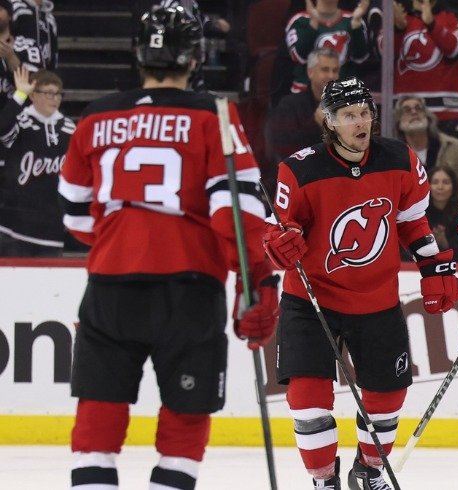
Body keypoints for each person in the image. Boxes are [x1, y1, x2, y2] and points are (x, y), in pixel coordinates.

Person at [58, 6, 279, 489]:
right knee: (185, 416)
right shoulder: (213, 115)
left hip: (110, 285)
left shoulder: (95, 118)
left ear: (139, 53)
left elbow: (75, 218)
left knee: (97, 418)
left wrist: (128, 236)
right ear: (195, 57)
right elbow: (236, 219)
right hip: (190, 286)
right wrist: (256, 281)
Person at [261, 76, 458, 490]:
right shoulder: (299, 169)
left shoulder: (399, 160)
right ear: (329, 122)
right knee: (307, 398)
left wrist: (434, 268)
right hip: (312, 298)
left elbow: (412, 222)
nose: (360, 122)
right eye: (349, 115)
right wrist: (279, 244)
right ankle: (324, 481)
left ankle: (369, 472)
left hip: (377, 299)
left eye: (365, 113)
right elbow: (278, 229)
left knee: (388, 398)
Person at [0, 66, 73, 256]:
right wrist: (19, 95)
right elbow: (2, 129)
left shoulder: (69, 128)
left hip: (51, 227)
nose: (55, 99)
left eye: (58, 94)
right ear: (33, 96)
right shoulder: (21, 121)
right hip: (14, 226)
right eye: (49, 93)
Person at [391, 0, 458, 139]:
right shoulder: (398, 16)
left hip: (446, 111)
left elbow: (457, 50)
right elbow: (382, 54)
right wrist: (398, 29)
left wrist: (431, 24)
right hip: (406, 113)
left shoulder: (453, 16)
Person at [265, 47, 341, 179]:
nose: (331, 76)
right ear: (310, 72)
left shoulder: (344, 106)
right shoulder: (289, 105)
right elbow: (282, 147)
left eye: (335, 71)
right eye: (325, 70)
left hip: (337, 176)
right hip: (301, 177)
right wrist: (316, 125)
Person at [394, 94, 458, 192]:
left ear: (427, 116)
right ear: (399, 122)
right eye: (407, 110)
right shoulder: (394, 156)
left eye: (418, 108)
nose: (414, 112)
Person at [284, 0, 368, 94]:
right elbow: (299, 57)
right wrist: (313, 24)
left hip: (343, 93)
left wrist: (356, 26)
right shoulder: (300, 20)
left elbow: (360, 58)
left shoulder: (351, 19)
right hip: (306, 93)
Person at [426, 165, 458, 262]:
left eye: (446, 182)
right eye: (435, 182)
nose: (440, 187)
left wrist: (446, 244)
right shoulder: (420, 213)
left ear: (454, 186)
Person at [9, 0, 56, 71]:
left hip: (42, 75)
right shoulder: (15, 7)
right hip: (16, 70)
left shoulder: (50, 18)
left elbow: (53, 51)